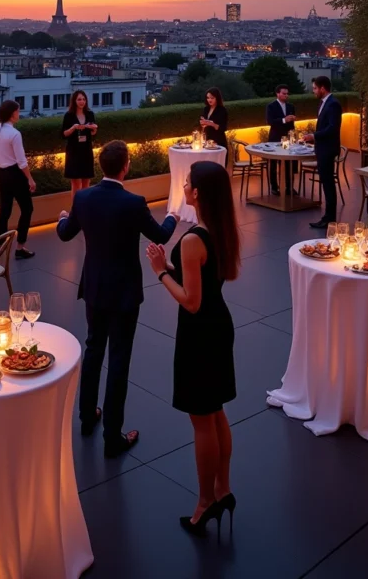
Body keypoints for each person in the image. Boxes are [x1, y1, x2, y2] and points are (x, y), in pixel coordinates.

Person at [57, 140, 178, 458]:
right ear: (126, 166)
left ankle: (86, 418)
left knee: (93, 349)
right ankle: (113, 436)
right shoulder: (133, 202)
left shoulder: (83, 198)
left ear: (101, 166)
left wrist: (60, 218)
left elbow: (65, 233)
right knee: (119, 360)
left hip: (95, 288)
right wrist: (173, 215)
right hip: (124, 291)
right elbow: (161, 236)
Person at [146, 159, 239, 537]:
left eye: (187, 183)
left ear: (197, 193)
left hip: (199, 334)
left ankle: (205, 501)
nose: (184, 187)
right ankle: (223, 488)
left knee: (202, 419)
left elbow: (191, 301)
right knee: (216, 412)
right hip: (220, 326)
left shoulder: (191, 240)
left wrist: (161, 271)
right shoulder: (222, 231)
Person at [0, 100, 36, 260]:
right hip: (15, 174)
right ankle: (20, 247)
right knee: (27, 209)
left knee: (5, 210)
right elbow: (21, 161)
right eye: (18, 111)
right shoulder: (15, 134)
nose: (19, 113)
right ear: (12, 113)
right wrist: (30, 179)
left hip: (0, 173)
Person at [305, 76, 343, 229]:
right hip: (323, 148)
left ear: (322, 88)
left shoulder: (333, 104)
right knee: (326, 184)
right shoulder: (324, 103)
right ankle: (328, 218)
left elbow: (332, 128)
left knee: (328, 185)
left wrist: (314, 136)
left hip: (327, 149)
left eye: (315, 88)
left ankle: (330, 219)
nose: (313, 91)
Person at [62, 90, 98, 200]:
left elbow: (93, 132)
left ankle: (85, 208)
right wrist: (73, 128)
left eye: (83, 99)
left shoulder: (89, 114)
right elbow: (64, 134)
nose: (81, 101)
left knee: (86, 182)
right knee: (76, 184)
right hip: (73, 151)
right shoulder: (69, 115)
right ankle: (75, 210)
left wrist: (92, 128)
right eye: (79, 99)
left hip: (86, 150)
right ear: (74, 101)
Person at [266, 84, 297, 196]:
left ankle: (289, 187)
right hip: (275, 138)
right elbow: (270, 122)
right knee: (274, 163)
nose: (286, 95)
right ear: (277, 94)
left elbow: (292, 124)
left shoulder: (291, 106)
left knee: (289, 162)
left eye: (287, 93)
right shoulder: (271, 106)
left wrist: (293, 135)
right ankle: (274, 187)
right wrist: (284, 120)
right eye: (284, 93)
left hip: (287, 138)